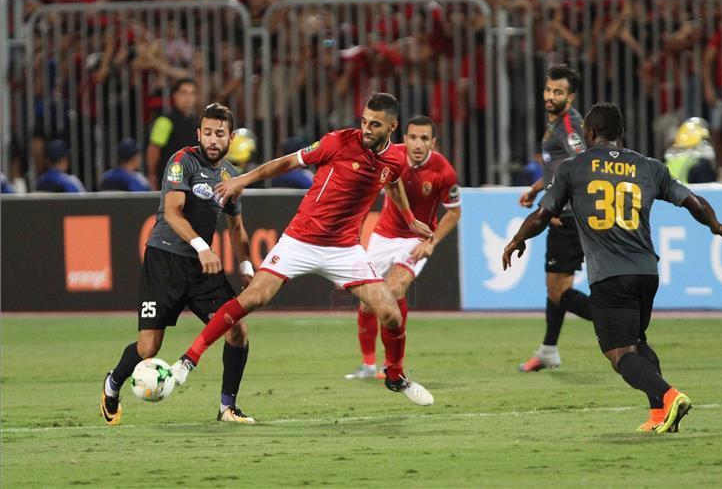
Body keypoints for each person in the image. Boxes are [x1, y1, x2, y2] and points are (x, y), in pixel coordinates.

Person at [169, 93, 437, 407]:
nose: (366, 128)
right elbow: (286, 162)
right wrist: (243, 180)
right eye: (364, 121)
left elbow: (393, 181)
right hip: (301, 239)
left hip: (344, 248)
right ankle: (188, 359)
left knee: (391, 314)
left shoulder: (396, 159)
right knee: (254, 297)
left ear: (391, 127)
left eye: (374, 125)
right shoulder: (337, 142)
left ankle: (395, 376)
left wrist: (410, 219)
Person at [502, 102, 722, 433]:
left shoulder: (573, 167)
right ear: (621, 133)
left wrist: (517, 239)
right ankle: (659, 416)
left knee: (620, 355)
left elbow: (542, 215)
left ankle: (670, 396)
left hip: (610, 275)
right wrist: (716, 226)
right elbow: (692, 201)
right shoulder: (648, 166)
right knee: (637, 342)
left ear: (589, 133)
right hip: (647, 273)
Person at [100, 103, 256, 426]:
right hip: (165, 261)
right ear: (198, 134)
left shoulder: (230, 175)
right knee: (148, 348)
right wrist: (202, 247)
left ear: (230, 138)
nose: (212, 139)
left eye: (220, 134)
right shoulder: (181, 162)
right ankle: (112, 384)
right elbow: (173, 213)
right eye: (207, 133)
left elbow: (237, 228)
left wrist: (246, 266)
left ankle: (227, 407)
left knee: (237, 329)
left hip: (201, 270)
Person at [345, 115, 461, 380]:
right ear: (405, 138)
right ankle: (368, 365)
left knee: (395, 288)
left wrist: (432, 241)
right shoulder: (390, 156)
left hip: (416, 237)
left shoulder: (444, 171)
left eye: (424, 139)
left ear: (433, 142)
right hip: (383, 235)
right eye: (413, 138)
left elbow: (454, 213)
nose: (418, 144)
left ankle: (392, 364)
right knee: (367, 301)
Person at [516, 64, 593, 372]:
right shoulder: (556, 123)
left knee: (558, 290)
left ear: (570, 97)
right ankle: (549, 349)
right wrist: (537, 188)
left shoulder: (570, 126)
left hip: (568, 217)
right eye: (548, 89)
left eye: (557, 92)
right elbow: (558, 169)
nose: (550, 96)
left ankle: (614, 319)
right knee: (557, 285)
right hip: (564, 212)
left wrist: (556, 205)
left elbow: (582, 167)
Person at [146, 78, 198, 190]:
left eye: (192, 93)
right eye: (184, 93)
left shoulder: (196, 122)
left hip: (191, 180)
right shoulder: (164, 120)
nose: (188, 98)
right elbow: (153, 150)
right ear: (175, 95)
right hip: (169, 180)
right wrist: (152, 175)